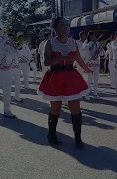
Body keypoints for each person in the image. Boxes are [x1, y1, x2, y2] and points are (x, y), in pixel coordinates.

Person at [38, 17, 92, 148]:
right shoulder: (49, 43)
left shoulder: (73, 42)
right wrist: (61, 58)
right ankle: (51, 135)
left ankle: (78, 138)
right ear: (55, 28)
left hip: (71, 76)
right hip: (55, 76)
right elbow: (46, 62)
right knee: (55, 109)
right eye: (62, 25)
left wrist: (87, 70)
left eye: (66, 25)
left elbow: (78, 59)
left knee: (76, 108)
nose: (65, 27)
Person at [83, 32, 105, 100]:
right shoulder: (87, 43)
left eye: (94, 36)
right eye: (91, 37)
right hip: (90, 63)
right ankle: (87, 94)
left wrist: (100, 49)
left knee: (96, 79)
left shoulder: (98, 43)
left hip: (96, 63)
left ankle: (95, 93)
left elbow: (102, 53)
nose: (93, 38)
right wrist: (91, 44)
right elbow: (85, 49)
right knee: (89, 79)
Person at [7, 33, 23, 102]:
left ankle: (17, 97)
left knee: (17, 83)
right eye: (9, 38)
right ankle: (8, 98)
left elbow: (19, 54)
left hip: (17, 66)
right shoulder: (5, 46)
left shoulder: (15, 46)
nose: (11, 39)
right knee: (8, 84)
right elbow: (13, 54)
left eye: (12, 38)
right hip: (9, 67)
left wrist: (16, 48)